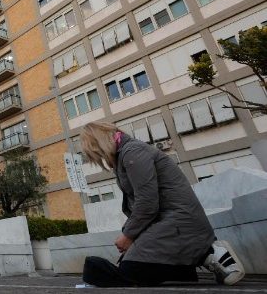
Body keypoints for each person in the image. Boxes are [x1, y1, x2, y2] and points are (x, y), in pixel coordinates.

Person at [79, 122, 245, 287]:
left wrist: (128, 235)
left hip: (181, 222)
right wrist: (132, 237)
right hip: (168, 222)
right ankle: (194, 261)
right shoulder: (126, 154)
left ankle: (209, 252)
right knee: (129, 266)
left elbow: (147, 202)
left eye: (96, 153)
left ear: (100, 143)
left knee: (131, 269)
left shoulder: (132, 152)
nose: (100, 158)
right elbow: (142, 203)